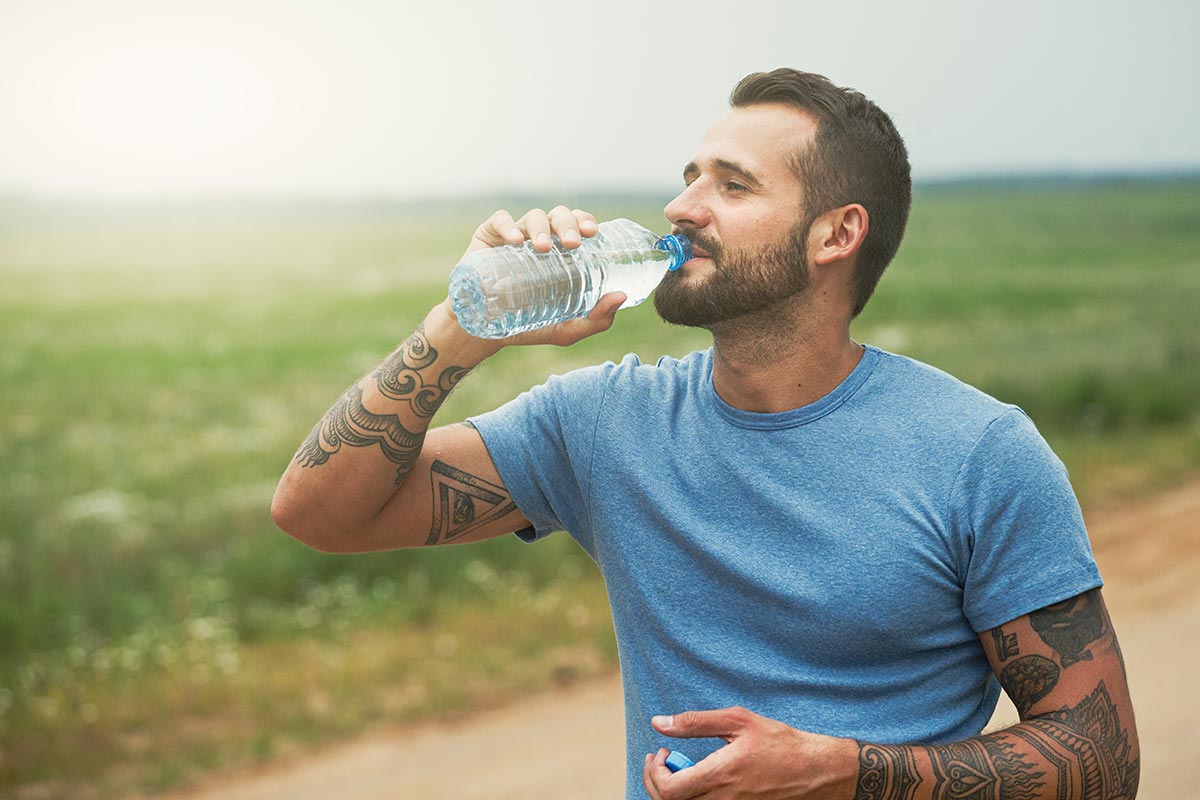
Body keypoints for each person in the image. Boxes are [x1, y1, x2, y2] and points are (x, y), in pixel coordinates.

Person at [271, 68, 1139, 800]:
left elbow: (1101, 755)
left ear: (837, 233)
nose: (682, 207)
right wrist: (464, 327)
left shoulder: (978, 454)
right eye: (689, 175)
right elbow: (320, 514)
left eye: (733, 184)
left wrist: (841, 771)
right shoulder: (602, 422)